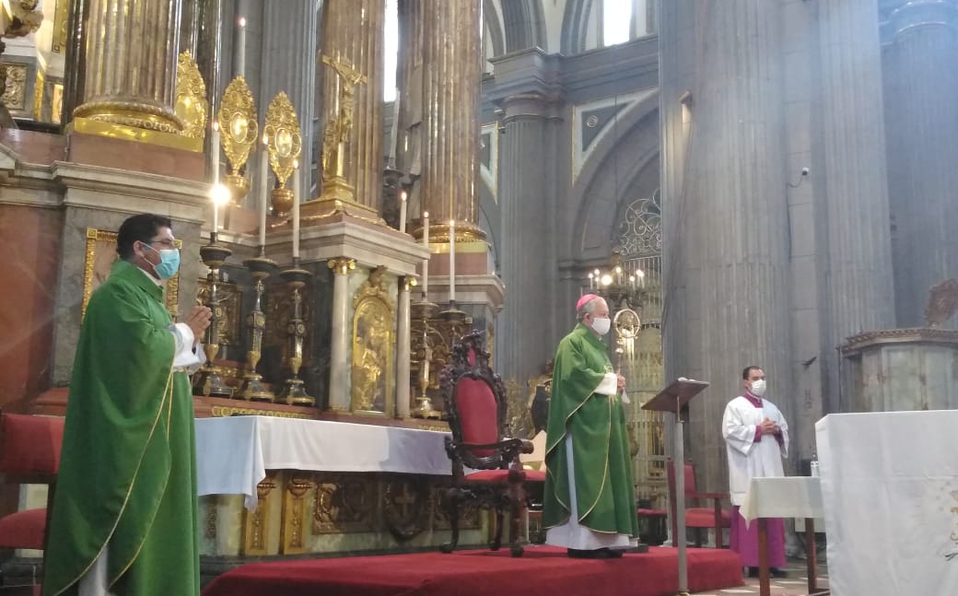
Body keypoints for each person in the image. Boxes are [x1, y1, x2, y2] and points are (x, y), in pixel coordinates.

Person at [43, 214, 212, 596]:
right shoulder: (117, 294)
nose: (173, 252)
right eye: (167, 243)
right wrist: (186, 332)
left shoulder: (146, 297)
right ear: (140, 248)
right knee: (128, 518)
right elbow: (141, 354)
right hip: (131, 445)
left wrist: (190, 341)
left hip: (158, 435)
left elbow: (164, 355)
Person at [542, 294, 640, 559]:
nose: (607, 320)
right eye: (604, 314)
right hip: (584, 430)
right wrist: (610, 381)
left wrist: (616, 384)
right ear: (587, 317)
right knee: (586, 483)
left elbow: (602, 382)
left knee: (610, 483)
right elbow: (573, 378)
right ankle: (583, 542)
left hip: (605, 428)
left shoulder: (597, 347)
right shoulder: (571, 343)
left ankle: (608, 540)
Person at [722, 365, 790, 578]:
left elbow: (785, 430)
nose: (760, 381)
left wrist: (777, 430)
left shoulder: (771, 407)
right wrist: (759, 430)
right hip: (748, 468)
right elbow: (730, 432)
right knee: (750, 515)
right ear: (745, 382)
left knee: (771, 513)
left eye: (762, 377)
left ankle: (774, 562)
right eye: (755, 378)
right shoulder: (735, 406)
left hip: (770, 467)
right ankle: (752, 563)